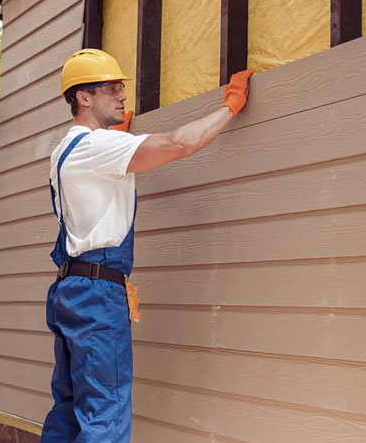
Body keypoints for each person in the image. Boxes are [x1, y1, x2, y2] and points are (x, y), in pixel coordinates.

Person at [40, 48, 253, 443]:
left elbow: (94, 183)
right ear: (83, 97)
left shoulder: (62, 151)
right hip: (98, 293)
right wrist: (230, 106)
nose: (122, 95)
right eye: (112, 88)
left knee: (69, 410)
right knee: (105, 412)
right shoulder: (96, 147)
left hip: (69, 290)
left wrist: (118, 137)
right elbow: (178, 144)